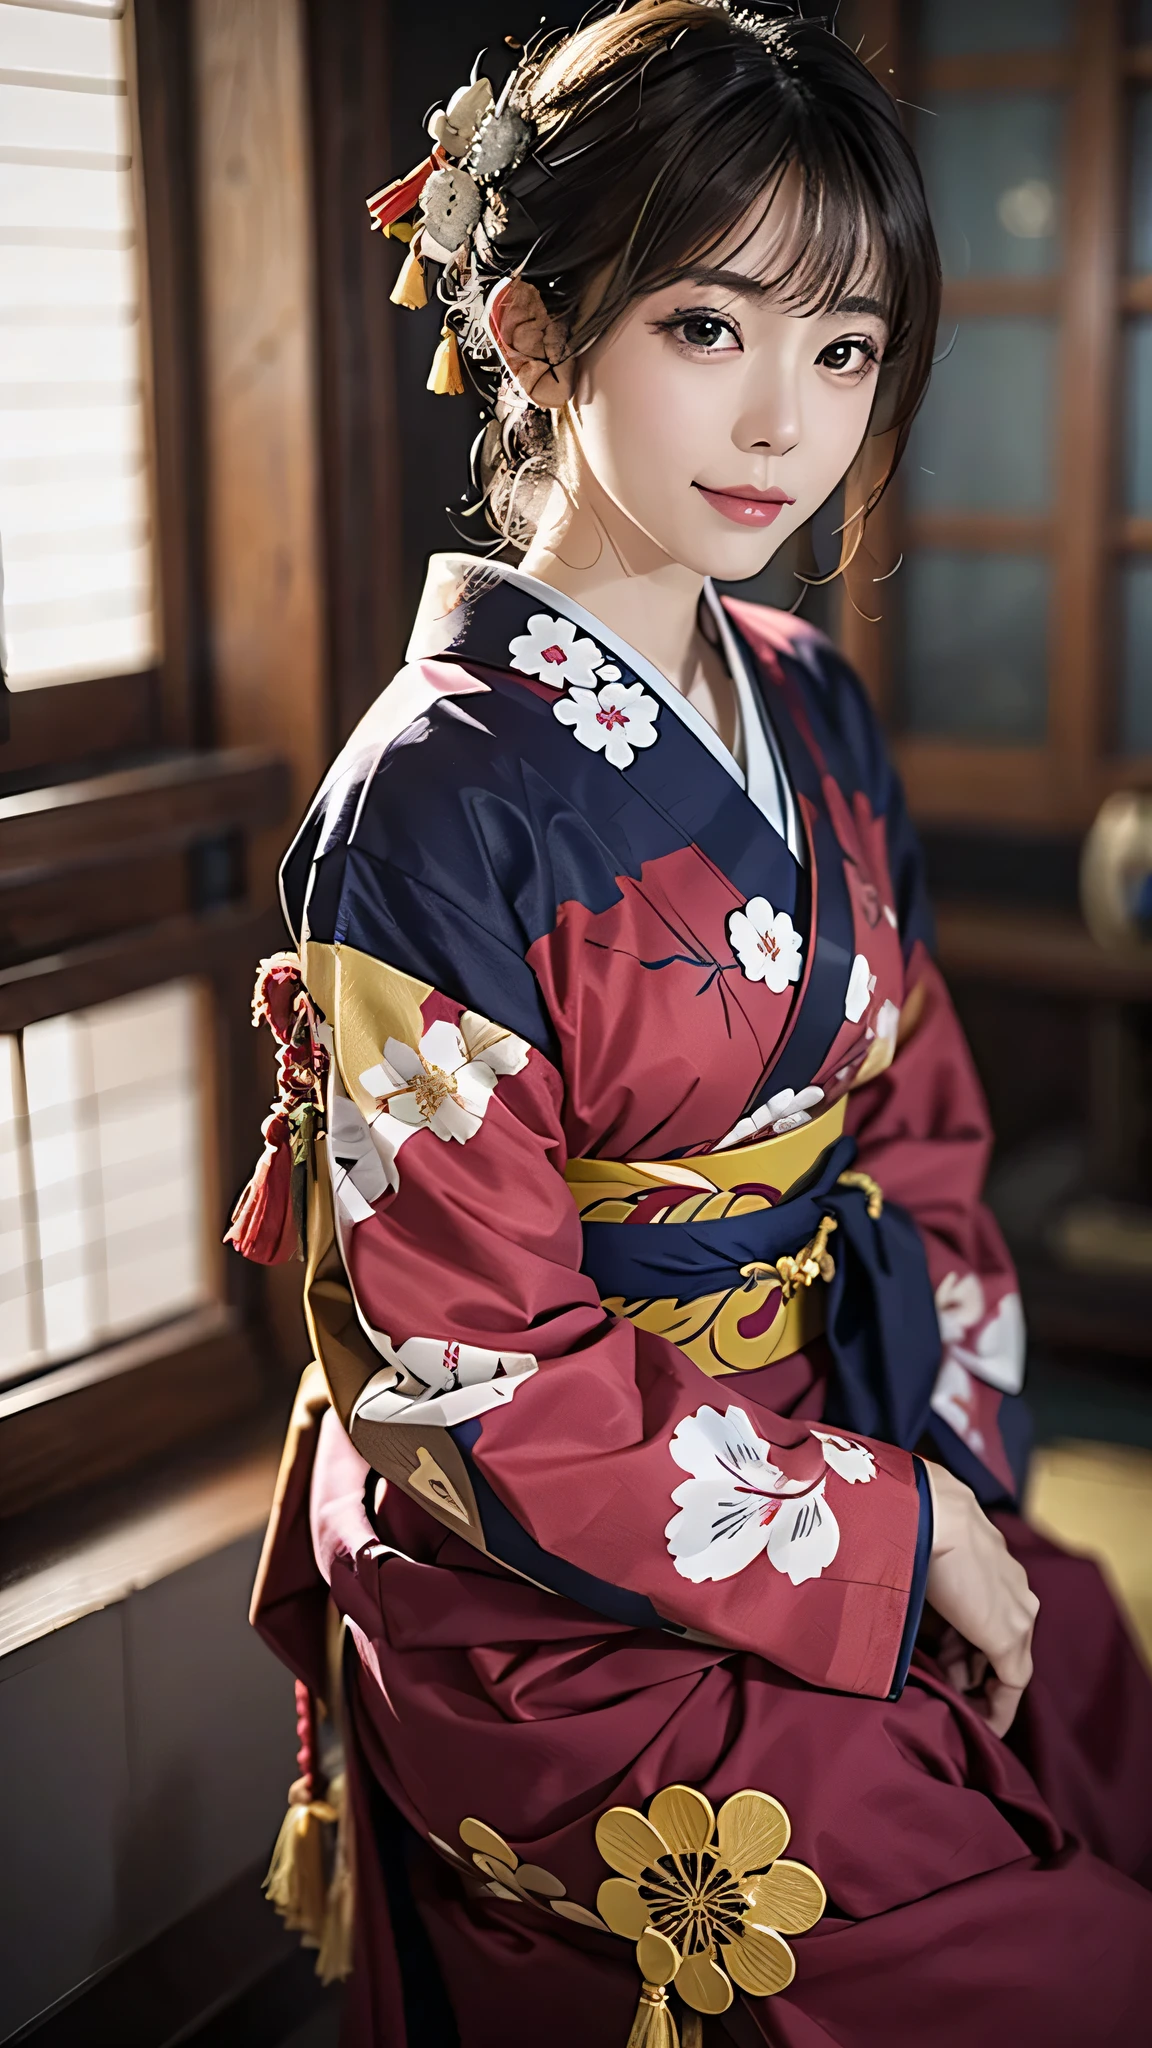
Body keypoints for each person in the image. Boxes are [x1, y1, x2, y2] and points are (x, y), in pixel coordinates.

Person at [236, 6, 1152, 2042]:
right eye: (710, 328)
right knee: (1052, 1963)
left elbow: (917, 1131)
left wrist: (955, 1486)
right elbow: (476, 1374)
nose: (785, 429)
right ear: (540, 331)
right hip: (551, 1572)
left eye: (842, 353)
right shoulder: (434, 806)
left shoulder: (808, 693)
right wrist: (896, 1543)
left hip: (832, 1430)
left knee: (1086, 1689)